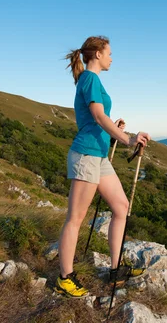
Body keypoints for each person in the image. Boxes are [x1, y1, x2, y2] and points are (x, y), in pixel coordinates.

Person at [55, 36, 151, 298]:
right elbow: (97, 115)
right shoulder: (90, 79)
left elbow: (97, 119)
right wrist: (128, 139)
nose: (111, 58)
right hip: (86, 155)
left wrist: (113, 130)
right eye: (109, 53)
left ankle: (116, 268)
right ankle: (65, 277)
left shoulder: (92, 81)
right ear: (97, 53)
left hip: (98, 155)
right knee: (75, 219)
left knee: (121, 207)